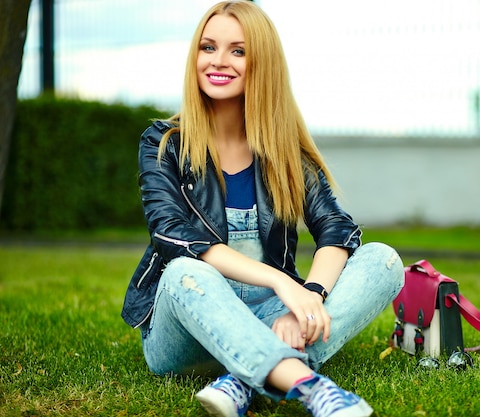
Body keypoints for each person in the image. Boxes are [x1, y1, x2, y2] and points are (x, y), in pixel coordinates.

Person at [121, 1, 404, 416]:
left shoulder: (285, 151)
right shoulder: (164, 143)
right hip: (185, 321)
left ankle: (242, 378)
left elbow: (336, 229)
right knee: (185, 269)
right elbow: (172, 235)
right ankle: (310, 388)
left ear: (262, 63)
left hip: (270, 312)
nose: (219, 61)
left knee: (383, 260)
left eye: (238, 50)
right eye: (208, 47)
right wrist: (283, 282)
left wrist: (310, 294)